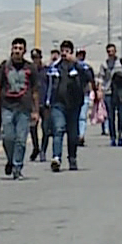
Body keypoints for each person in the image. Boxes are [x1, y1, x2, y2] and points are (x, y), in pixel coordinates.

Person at [0, 38, 39, 180]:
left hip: (24, 108)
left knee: (21, 139)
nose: (17, 51)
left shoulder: (30, 68)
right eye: (15, 48)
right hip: (7, 106)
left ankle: (17, 167)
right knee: (8, 137)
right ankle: (11, 159)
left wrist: (35, 110)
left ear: (24, 51)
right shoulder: (4, 66)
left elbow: (35, 90)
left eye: (20, 48)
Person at [45, 40, 94, 171]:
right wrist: (47, 102)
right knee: (58, 129)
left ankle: (72, 158)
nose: (64, 54)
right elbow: (48, 83)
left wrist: (76, 62)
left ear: (72, 53)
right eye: (62, 51)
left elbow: (89, 76)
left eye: (67, 51)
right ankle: (56, 157)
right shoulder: (55, 67)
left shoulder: (79, 67)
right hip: (58, 103)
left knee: (73, 133)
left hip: (74, 104)